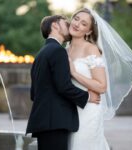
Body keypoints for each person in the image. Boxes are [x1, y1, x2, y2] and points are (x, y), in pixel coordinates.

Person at [66, 8, 132, 150]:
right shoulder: (66, 49)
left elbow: (101, 86)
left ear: (88, 31)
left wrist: (74, 73)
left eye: (83, 24)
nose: (77, 24)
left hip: (88, 109)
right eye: (76, 19)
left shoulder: (91, 49)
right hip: (71, 108)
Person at [26, 15, 99, 150]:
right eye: (65, 23)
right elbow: (64, 86)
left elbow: (33, 93)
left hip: (45, 122)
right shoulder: (58, 51)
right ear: (55, 25)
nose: (70, 25)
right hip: (55, 122)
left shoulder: (41, 54)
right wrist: (88, 96)